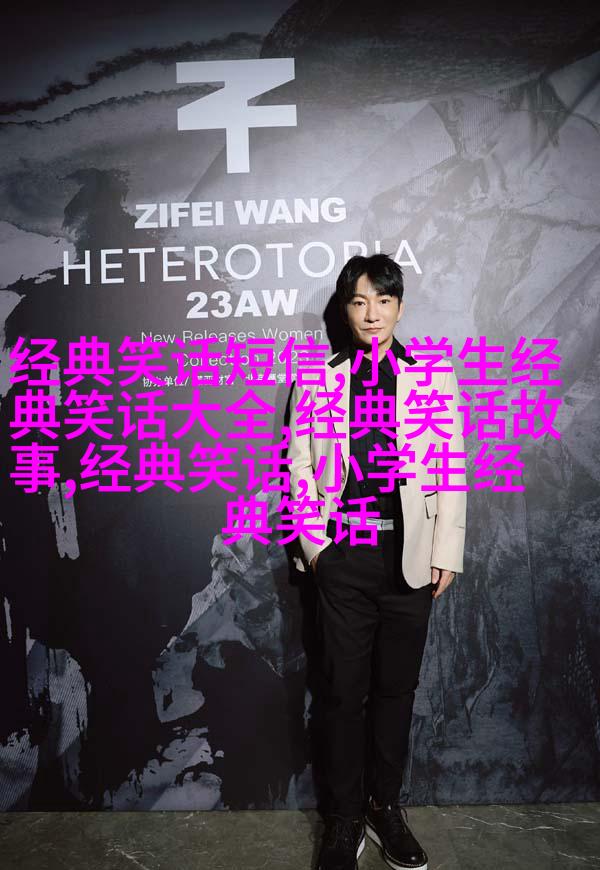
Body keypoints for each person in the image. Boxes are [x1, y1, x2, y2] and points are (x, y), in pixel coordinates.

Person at [288, 254, 467, 870]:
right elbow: (299, 464)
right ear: (345, 310)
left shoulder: (432, 377)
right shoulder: (317, 378)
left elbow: (450, 464)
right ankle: (343, 819)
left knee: (396, 690)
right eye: (359, 301)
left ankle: (385, 808)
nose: (371, 313)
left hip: (410, 557)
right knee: (342, 694)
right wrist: (317, 548)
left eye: (383, 301)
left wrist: (446, 550)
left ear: (399, 307)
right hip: (344, 555)